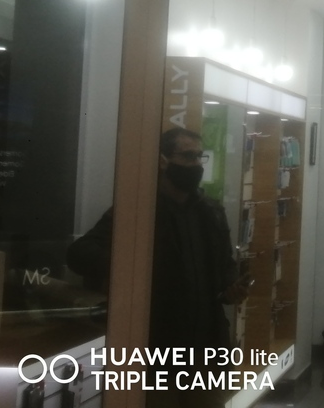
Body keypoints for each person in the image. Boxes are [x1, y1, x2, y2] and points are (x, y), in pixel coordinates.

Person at [67, 128, 248, 403]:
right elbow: (79, 254)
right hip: (157, 348)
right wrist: (131, 264)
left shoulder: (211, 212)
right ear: (163, 160)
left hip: (208, 348)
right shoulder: (138, 211)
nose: (196, 164)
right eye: (187, 156)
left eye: (199, 156)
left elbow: (225, 265)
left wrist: (232, 286)